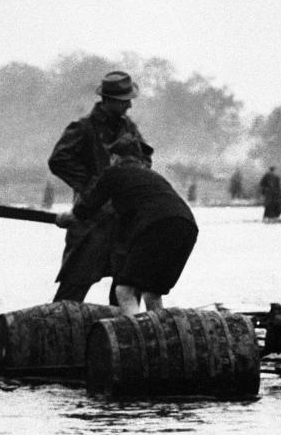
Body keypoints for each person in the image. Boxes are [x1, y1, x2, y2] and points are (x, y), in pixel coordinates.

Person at [55, 134, 198, 316]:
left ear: (115, 157)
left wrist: (67, 217)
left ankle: (136, 339)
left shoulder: (114, 172)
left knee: (125, 291)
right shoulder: (152, 176)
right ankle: (161, 335)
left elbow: (87, 208)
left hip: (156, 226)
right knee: (152, 292)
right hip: (187, 227)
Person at [48, 71, 153, 303]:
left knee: (126, 286)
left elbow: (145, 158)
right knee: (73, 286)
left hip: (123, 220)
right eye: (125, 100)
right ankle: (59, 331)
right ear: (109, 100)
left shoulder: (129, 128)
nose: (129, 106)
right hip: (91, 220)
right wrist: (92, 186)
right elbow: (58, 160)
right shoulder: (83, 127)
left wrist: (133, 180)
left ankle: (119, 335)